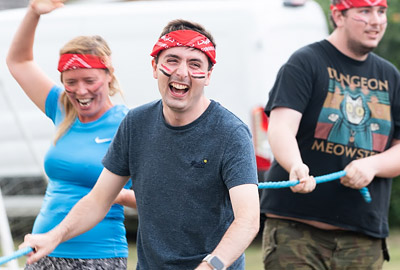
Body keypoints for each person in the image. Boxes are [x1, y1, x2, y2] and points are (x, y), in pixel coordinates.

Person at [17, 18, 261, 269]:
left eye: (195, 64)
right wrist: (53, 236)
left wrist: (210, 266)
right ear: (155, 66)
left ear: (208, 75)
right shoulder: (135, 124)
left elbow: (248, 220)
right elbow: (98, 200)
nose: (181, 72)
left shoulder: (231, 133)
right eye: (172, 60)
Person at [260, 0, 400, 269]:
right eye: (364, 11)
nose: (376, 21)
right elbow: (281, 127)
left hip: (362, 238)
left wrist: (372, 165)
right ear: (338, 15)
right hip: (296, 233)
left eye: (381, 11)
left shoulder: (390, 77)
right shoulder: (305, 62)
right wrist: (295, 165)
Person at [6, 0, 136, 269]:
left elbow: (151, 200)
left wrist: (112, 192)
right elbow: (18, 61)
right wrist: (33, 13)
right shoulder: (61, 108)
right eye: (71, 82)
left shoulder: (128, 125)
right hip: (42, 249)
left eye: (90, 81)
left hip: (99, 256)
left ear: (109, 75)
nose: (80, 91)